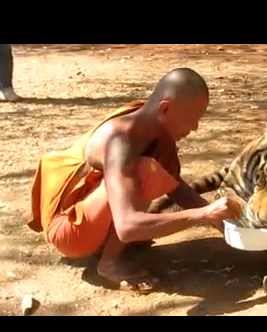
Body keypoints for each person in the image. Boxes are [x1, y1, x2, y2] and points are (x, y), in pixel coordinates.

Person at [28, 68, 241, 292]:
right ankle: (109, 263)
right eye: (192, 119)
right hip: (69, 232)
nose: (195, 128)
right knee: (145, 172)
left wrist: (228, 224)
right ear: (165, 108)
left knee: (151, 172)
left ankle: (107, 247)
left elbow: (177, 188)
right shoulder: (119, 141)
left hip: (96, 221)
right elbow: (128, 227)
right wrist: (203, 214)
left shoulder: (152, 127)